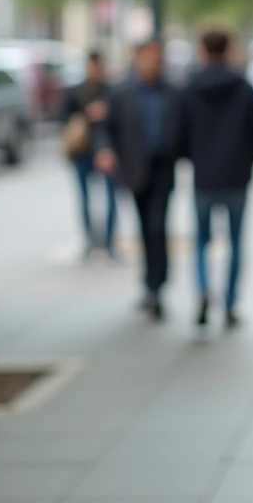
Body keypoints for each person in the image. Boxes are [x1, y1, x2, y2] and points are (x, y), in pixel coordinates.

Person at [177, 28, 253, 329]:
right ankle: (229, 303)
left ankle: (203, 289)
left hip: (204, 177)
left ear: (203, 50)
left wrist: (197, 159)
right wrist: (245, 160)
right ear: (228, 50)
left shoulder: (190, 86)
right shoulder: (243, 86)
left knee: (201, 240)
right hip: (237, 177)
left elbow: (180, 133)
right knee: (235, 241)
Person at [94, 41, 179, 320]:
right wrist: (105, 151)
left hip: (163, 169)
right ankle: (149, 284)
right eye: (149, 58)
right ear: (138, 59)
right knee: (145, 228)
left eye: (158, 58)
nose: (154, 63)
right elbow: (106, 129)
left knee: (157, 226)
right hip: (136, 169)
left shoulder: (172, 91)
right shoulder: (122, 93)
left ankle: (157, 285)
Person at [64, 50, 117, 259]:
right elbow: (64, 118)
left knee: (111, 199)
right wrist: (86, 114)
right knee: (85, 198)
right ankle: (89, 240)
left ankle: (109, 242)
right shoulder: (77, 91)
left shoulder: (112, 91)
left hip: (107, 151)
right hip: (82, 151)